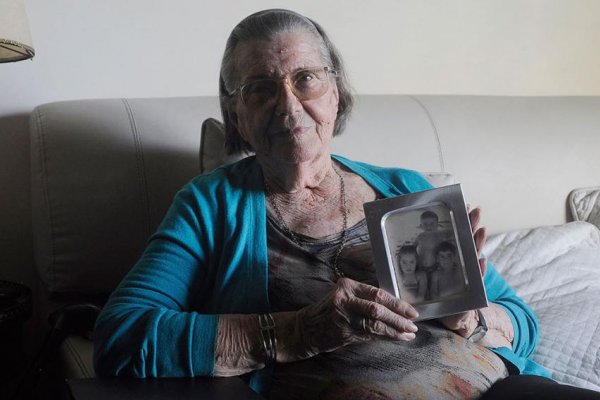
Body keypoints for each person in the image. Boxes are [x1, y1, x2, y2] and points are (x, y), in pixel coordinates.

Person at [93, 9, 600, 400]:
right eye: (261, 89)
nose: (289, 106)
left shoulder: (404, 187)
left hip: (499, 389)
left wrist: (470, 317)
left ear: (335, 94)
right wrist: (296, 332)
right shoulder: (211, 204)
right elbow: (121, 336)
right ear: (237, 116)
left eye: (306, 79)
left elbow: (523, 325)